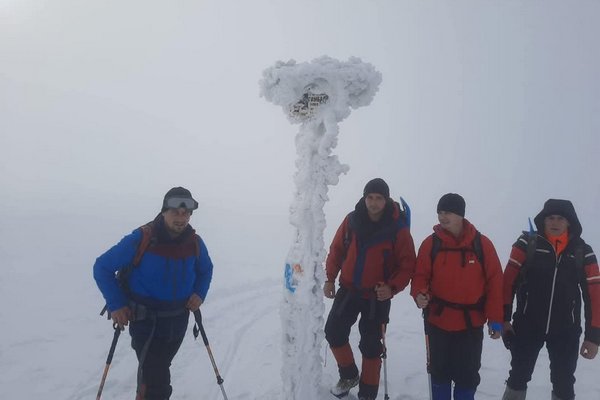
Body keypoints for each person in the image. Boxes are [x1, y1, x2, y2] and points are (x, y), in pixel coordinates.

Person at [94, 187, 213, 400]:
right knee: (156, 380)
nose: (181, 217)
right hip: (146, 321)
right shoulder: (142, 238)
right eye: (175, 211)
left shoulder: (194, 242)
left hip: (178, 320)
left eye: (186, 213)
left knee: (158, 369)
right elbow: (102, 267)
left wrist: (199, 293)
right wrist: (116, 304)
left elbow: (205, 270)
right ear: (164, 211)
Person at [323, 178, 416, 400]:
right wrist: (329, 278)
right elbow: (336, 250)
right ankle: (348, 375)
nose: (373, 203)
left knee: (371, 345)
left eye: (379, 198)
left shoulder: (398, 229)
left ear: (386, 200)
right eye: (370, 198)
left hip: (377, 296)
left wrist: (391, 287)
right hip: (348, 289)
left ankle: (368, 394)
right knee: (333, 332)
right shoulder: (352, 220)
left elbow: (408, 265)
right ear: (364, 198)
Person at [501, 199, 600, 400]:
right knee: (518, 376)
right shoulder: (528, 243)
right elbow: (507, 282)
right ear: (543, 220)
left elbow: (594, 295)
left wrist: (593, 336)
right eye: (550, 218)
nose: (555, 222)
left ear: (569, 222)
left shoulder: (582, 251)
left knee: (563, 383)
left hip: (566, 330)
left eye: (560, 218)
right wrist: (503, 319)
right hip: (527, 325)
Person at [411, 193, 503, 400]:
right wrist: (419, 294)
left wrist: (496, 318)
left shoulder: (482, 244)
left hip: (470, 324)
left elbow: (495, 283)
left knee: (467, 376)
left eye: (448, 212)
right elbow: (420, 276)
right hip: (438, 320)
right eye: (440, 212)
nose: (443, 217)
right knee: (439, 372)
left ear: (461, 215)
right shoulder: (430, 244)